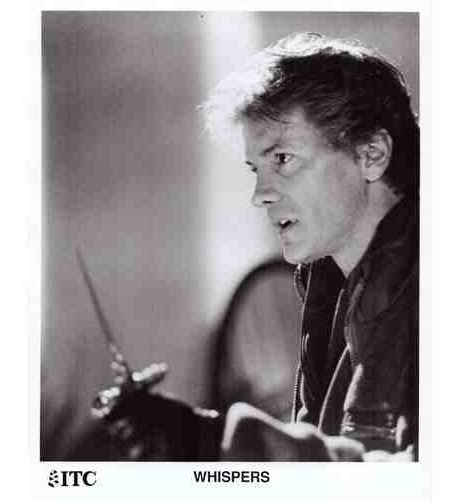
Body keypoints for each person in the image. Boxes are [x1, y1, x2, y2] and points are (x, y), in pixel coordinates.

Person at [80, 32, 419, 462]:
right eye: (255, 169)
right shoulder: (330, 290)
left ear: (372, 154)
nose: (260, 195)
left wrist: (212, 443)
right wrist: (196, 438)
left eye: (282, 159)